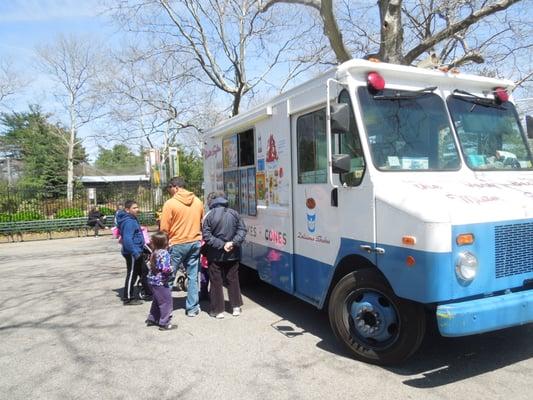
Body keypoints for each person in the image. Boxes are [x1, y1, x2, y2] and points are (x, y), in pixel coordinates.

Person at [160, 177, 204, 317]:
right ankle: (192, 308)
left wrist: (162, 245)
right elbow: (201, 221)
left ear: (175, 187)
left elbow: (164, 228)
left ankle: (165, 309)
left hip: (177, 243)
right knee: (192, 277)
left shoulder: (170, 203)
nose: (169, 191)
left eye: (169, 189)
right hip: (195, 242)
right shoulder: (197, 201)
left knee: (169, 277)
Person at [202, 191, 247, 319]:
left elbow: (206, 236)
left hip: (215, 255)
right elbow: (242, 230)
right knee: (233, 279)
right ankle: (236, 307)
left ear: (212, 201)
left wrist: (222, 245)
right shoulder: (234, 213)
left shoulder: (209, 215)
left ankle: (218, 310)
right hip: (233, 253)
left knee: (216, 281)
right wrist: (232, 243)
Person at [116, 200, 152, 305]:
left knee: (144, 271)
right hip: (132, 252)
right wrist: (134, 252)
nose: (137, 209)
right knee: (132, 273)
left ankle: (148, 292)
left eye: (137, 207)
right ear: (127, 210)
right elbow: (127, 239)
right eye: (134, 208)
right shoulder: (129, 221)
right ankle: (128, 298)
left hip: (138, 250)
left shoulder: (132, 219)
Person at [145, 231, 176, 331]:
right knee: (166, 302)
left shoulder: (155, 252)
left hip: (152, 280)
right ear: (165, 243)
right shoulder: (164, 253)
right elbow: (164, 268)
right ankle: (165, 322)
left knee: (157, 300)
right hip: (160, 282)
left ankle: (152, 318)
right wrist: (172, 268)